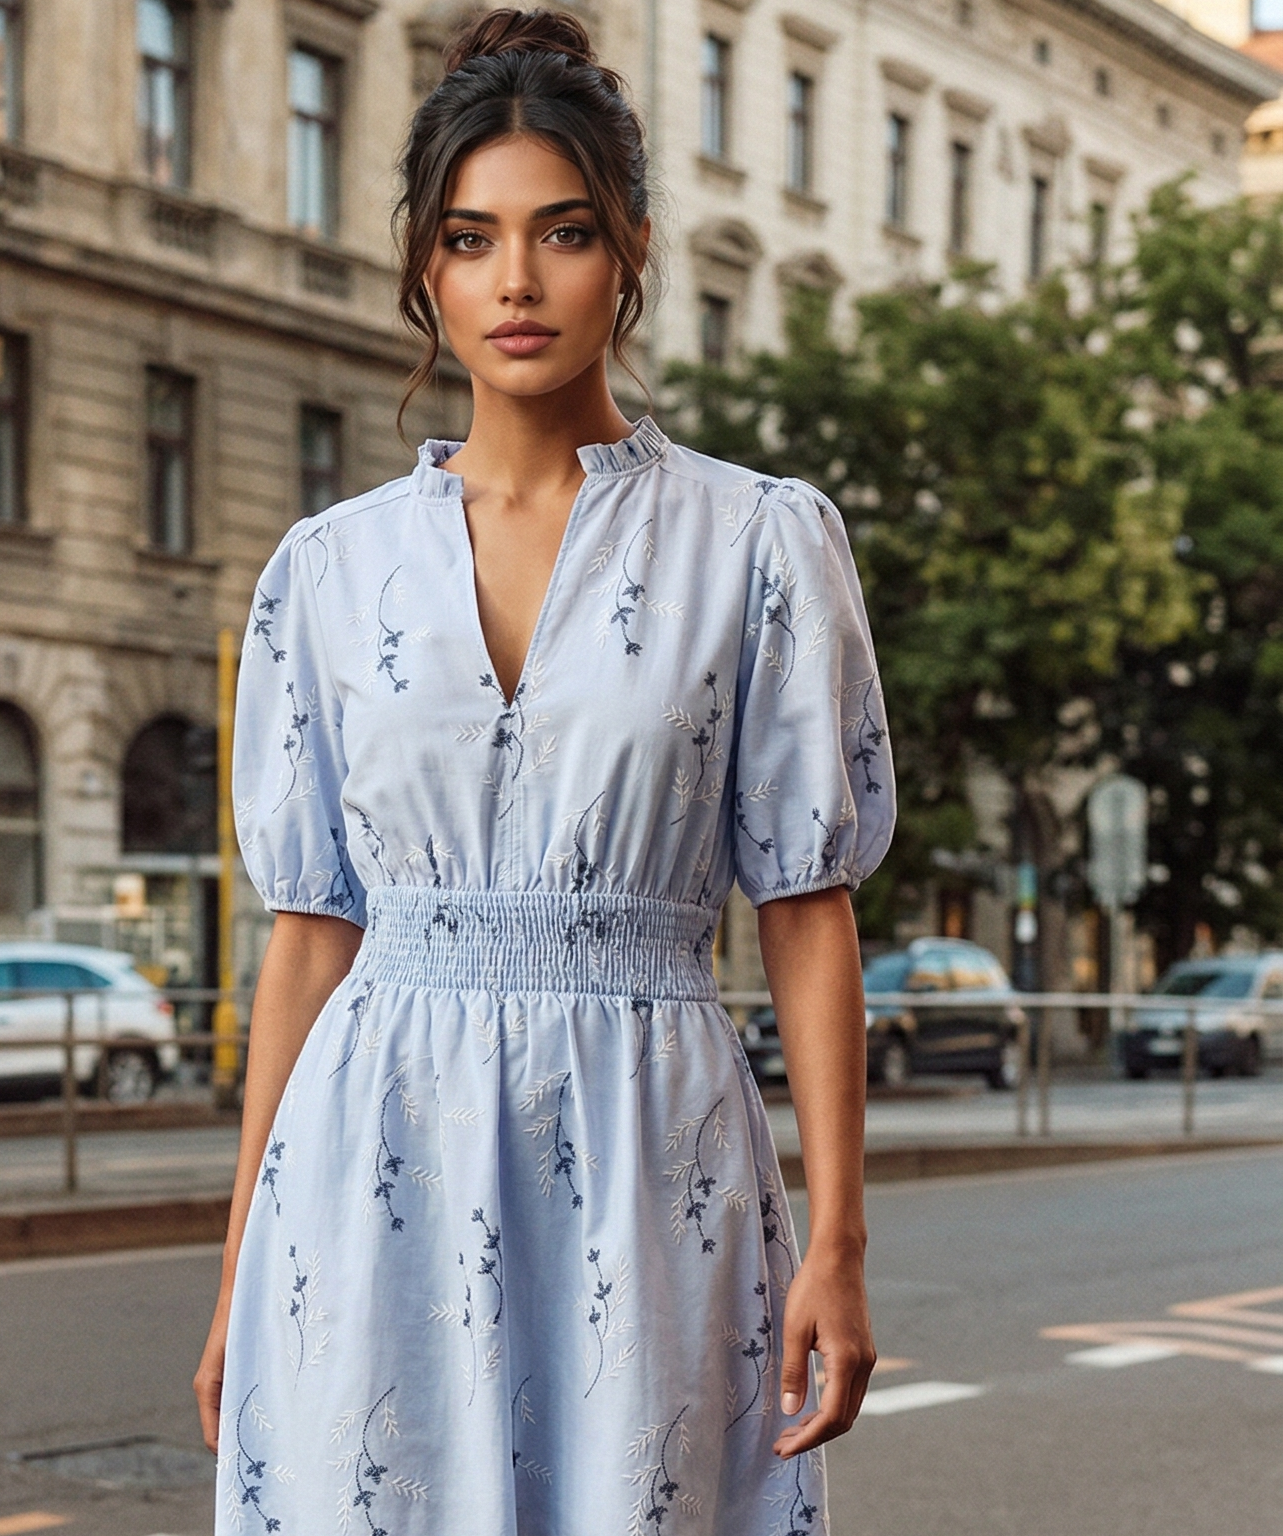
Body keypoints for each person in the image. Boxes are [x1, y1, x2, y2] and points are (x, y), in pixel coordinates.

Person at [194, 10, 894, 1532]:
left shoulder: (758, 543)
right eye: (472, 238)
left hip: (652, 1146)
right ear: (425, 267)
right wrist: (245, 1254)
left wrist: (837, 1240)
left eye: (562, 233)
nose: (516, 284)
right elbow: (312, 931)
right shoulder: (324, 572)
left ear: (630, 247)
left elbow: (807, 906)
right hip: (371, 1155)